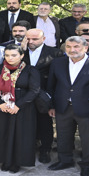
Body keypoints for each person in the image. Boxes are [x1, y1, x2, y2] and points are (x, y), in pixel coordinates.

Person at [47, 36, 89, 176]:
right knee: (63, 136)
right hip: (63, 107)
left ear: (85, 48)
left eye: (76, 47)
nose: (72, 50)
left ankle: (87, 165)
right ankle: (64, 161)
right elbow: (51, 87)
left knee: (88, 139)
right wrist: (52, 105)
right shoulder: (57, 63)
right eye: (69, 47)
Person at [0, 44, 40, 172]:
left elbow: (34, 90)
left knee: (20, 134)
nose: (10, 58)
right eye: (7, 55)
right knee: (2, 132)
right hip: (2, 105)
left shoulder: (30, 70)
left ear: (22, 56)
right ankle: (4, 160)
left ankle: (17, 162)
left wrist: (18, 105)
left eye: (14, 55)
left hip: (22, 106)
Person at [23, 29, 64, 164]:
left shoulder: (55, 53)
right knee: (26, 122)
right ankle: (28, 147)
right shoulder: (20, 51)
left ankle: (45, 149)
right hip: (23, 93)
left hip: (45, 93)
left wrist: (53, 100)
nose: (31, 42)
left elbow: (59, 78)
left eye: (35, 39)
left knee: (45, 123)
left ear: (44, 38)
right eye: (28, 39)